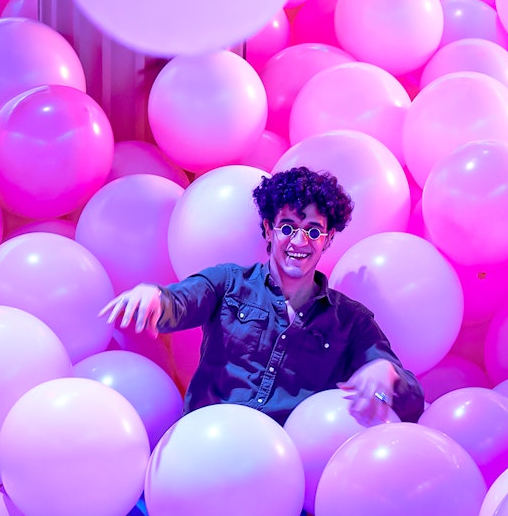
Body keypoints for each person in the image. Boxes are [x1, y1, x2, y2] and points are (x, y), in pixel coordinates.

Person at [101, 166, 424, 425]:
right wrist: (154, 297)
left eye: (313, 230)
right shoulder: (227, 283)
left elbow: (414, 402)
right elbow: (180, 301)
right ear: (269, 231)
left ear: (326, 241)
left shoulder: (350, 321)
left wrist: (388, 373)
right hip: (205, 451)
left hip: (281, 474)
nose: (300, 241)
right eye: (288, 227)